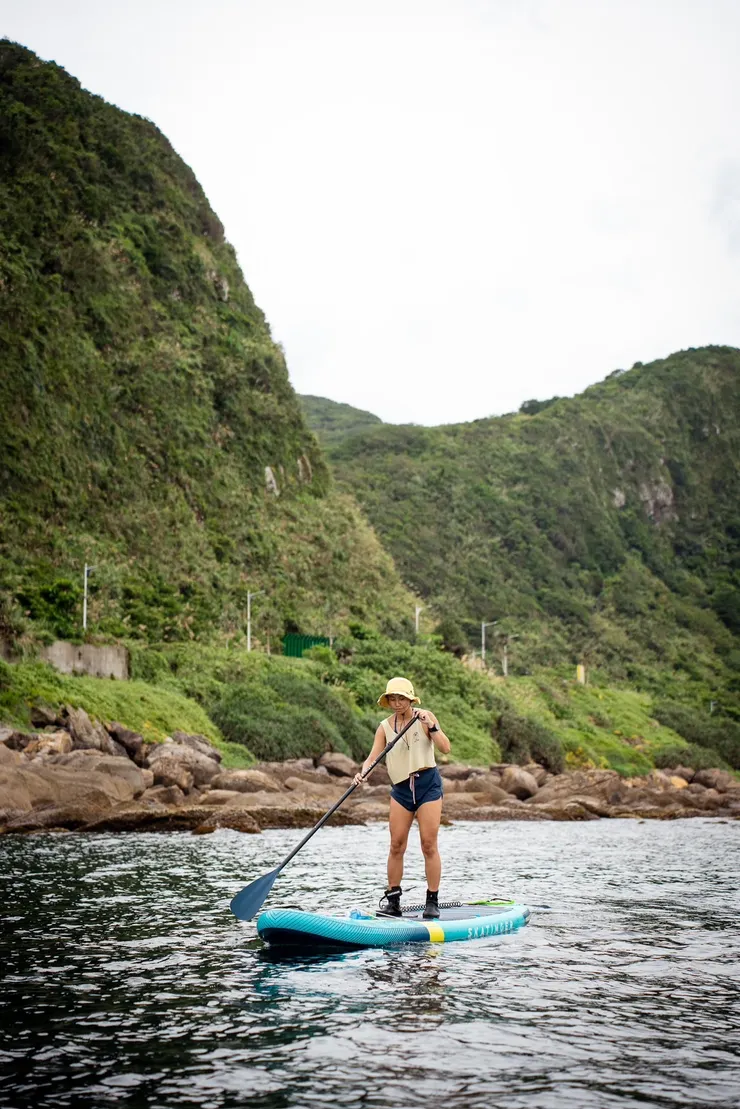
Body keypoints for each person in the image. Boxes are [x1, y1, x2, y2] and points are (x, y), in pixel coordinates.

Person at [353, 676, 451, 920]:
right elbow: (372, 758)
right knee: (396, 845)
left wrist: (432, 726)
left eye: (402, 699)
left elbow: (445, 748)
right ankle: (393, 901)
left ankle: (432, 901)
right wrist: (362, 773)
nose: (397, 703)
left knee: (428, 844)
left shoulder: (425, 717)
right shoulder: (384, 727)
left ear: (411, 699)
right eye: (393, 699)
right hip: (401, 790)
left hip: (427, 785)